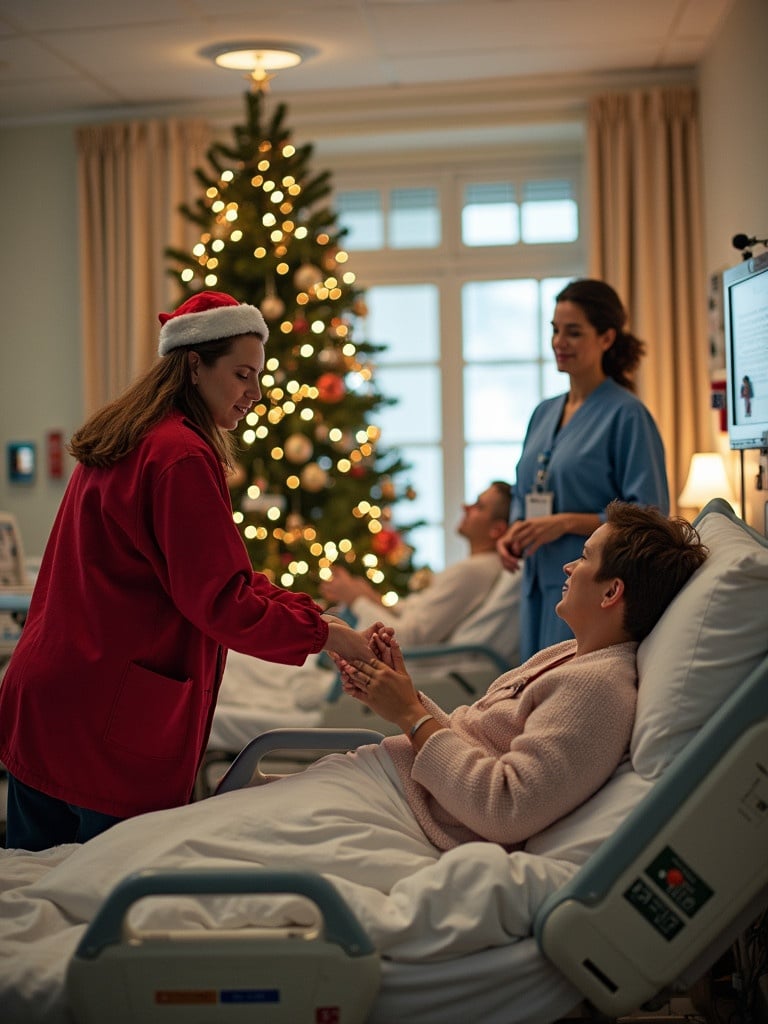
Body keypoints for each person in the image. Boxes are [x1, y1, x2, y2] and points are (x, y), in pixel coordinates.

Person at [0, 290, 376, 851]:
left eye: (259, 377)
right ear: (195, 365)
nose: (255, 393)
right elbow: (220, 602)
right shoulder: (179, 455)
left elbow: (221, 581)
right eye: (243, 375)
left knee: (34, 905)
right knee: (100, 901)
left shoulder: (129, 438)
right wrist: (327, 635)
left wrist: (313, 617)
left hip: (47, 699)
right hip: (104, 717)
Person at [335, 501, 706, 850]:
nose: (568, 567)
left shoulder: (596, 688)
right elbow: (474, 737)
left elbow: (504, 807)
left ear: (611, 591)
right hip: (402, 786)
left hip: (411, 812)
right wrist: (400, 693)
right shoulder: (572, 655)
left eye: (584, 556)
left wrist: (409, 715)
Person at [214, 481, 515, 727]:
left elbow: (409, 636)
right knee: (244, 663)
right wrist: (362, 593)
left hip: (413, 667)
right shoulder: (477, 569)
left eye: (479, 506)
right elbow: (412, 615)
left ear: (496, 530)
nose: (466, 507)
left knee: (238, 665)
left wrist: (357, 599)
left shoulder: (472, 572)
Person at [497, 278, 669, 661]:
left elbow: (651, 515)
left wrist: (564, 523)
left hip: (591, 593)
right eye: (555, 330)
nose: (560, 342)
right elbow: (525, 488)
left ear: (606, 338)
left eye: (573, 332)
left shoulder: (627, 415)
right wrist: (514, 529)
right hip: (537, 587)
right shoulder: (542, 413)